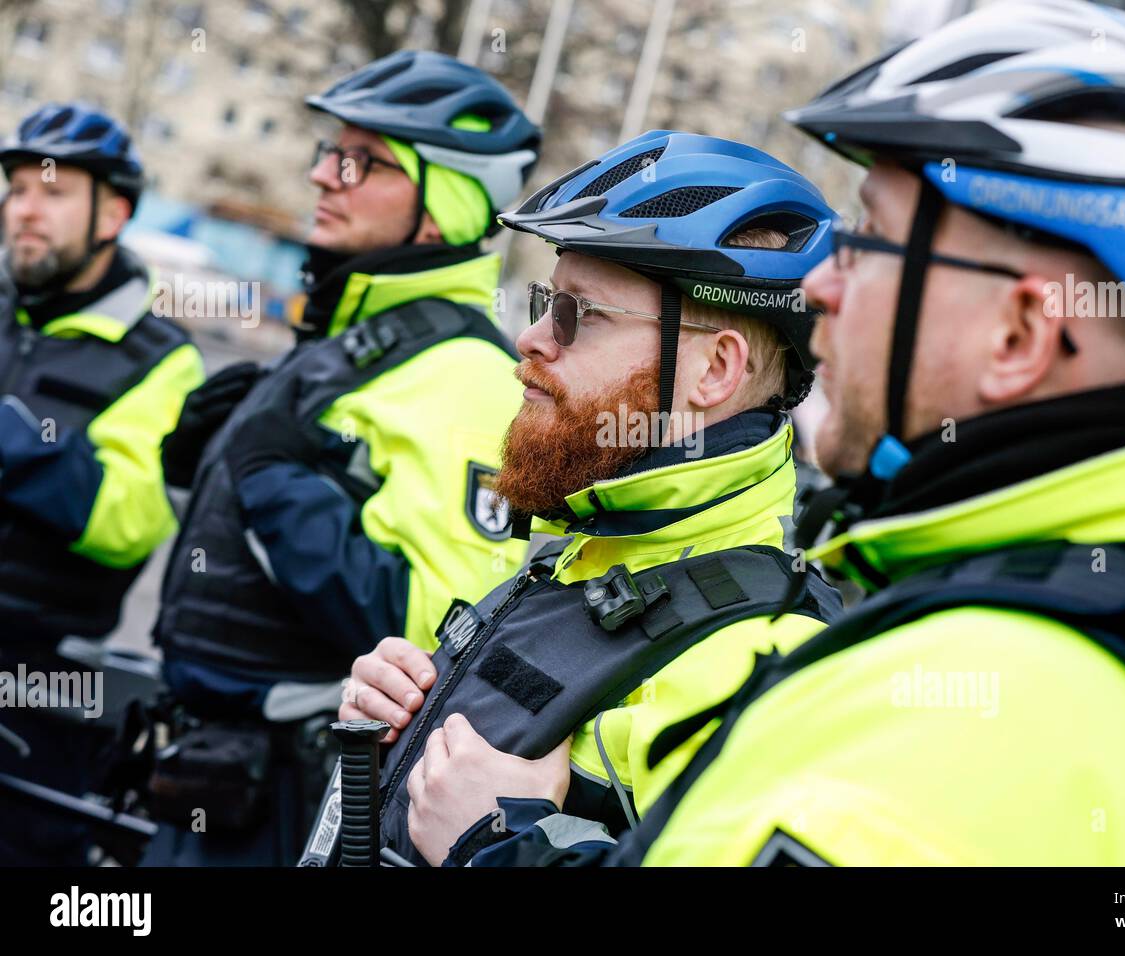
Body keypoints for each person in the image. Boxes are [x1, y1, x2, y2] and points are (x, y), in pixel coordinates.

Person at [411, 0, 1125, 866]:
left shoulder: (990, 707)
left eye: (873, 236)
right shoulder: (1057, 628)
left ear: (1018, 338)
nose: (824, 284)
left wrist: (498, 849)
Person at [321, 131, 843, 866]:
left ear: (715, 368)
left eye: (580, 313)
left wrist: (500, 848)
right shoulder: (583, 549)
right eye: (544, 303)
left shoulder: (761, 653)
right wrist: (390, 735)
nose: (531, 339)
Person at [145, 51, 539, 866]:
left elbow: (442, 640)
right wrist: (199, 473)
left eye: (362, 161)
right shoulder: (349, 341)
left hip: (295, 799)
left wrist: (277, 488)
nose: (326, 174)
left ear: (440, 207)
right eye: (330, 151)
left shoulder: (465, 375)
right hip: (208, 769)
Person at [0, 103, 204, 865]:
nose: (25, 208)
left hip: (36, 681)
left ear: (112, 211)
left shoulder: (160, 356)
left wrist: (20, 441)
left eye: (52, 191)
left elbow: (133, 518)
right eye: (17, 188)